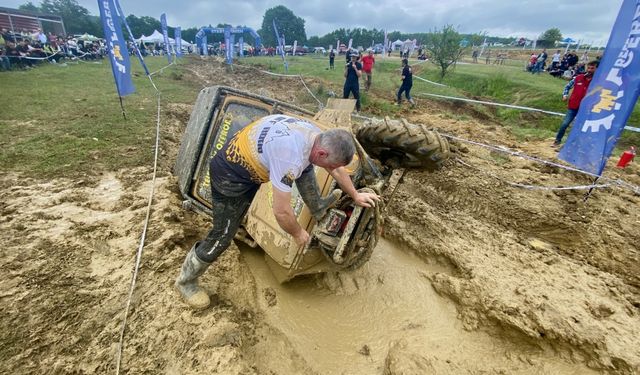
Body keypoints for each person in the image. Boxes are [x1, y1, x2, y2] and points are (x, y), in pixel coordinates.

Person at [175, 114, 381, 309]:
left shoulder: (314, 136)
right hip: (230, 178)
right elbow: (281, 212)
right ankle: (186, 282)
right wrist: (298, 233)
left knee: (307, 166)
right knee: (223, 235)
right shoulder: (290, 156)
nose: (331, 169)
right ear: (322, 153)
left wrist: (355, 195)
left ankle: (318, 207)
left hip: (251, 161)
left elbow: (335, 169)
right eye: (329, 163)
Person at [553, 60, 599, 146]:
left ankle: (572, 144)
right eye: (588, 68)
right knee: (565, 124)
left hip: (586, 108)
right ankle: (557, 140)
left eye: (592, 68)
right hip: (573, 106)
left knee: (579, 127)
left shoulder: (598, 82)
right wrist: (565, 95)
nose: (589, 70)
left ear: (597, 69)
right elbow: (567, 86)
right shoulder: (578, 78)